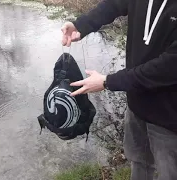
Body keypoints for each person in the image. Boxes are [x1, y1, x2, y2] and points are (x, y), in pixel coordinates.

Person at [60, 0, 177, 180]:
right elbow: (114, 4)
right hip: (137, 105)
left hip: (169, 118)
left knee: (169, 173)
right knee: (139, 163)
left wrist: (108, 81)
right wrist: (80, 25)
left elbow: (167, 68)